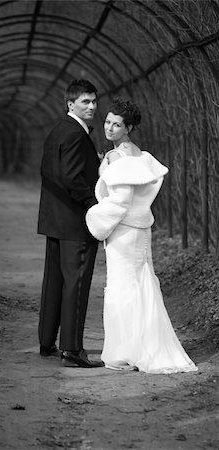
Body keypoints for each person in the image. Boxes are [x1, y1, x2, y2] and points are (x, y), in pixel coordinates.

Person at [85, 98, 198, 374]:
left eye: (117, 124)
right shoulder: (138, 154)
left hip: (123, 231)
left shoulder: (117, 157)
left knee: (122, 290)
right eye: (108, 121)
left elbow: (120, 201)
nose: (109, 128)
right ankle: (144, 345)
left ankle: (126, 351)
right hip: (139, 230)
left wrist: (94, 219)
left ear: (129, 128)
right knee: (141, 286)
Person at [37, 79, 103, 368]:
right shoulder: (76, 133)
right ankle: (72, 350)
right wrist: (94, 206)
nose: (92, 106)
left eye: (93, 101)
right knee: (75, 283)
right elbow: (72, 178)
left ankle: (47, 341)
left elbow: (50, 170)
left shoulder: (59, 129)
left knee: (55, 281)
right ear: (71, 103)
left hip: (55, 220)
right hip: (75, 221)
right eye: (85, 101)